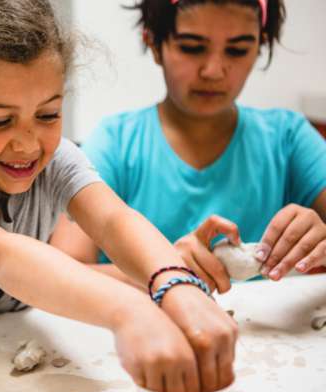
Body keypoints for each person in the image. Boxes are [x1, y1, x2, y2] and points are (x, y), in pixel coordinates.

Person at [0, 0, 237, 392]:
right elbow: (0, 256)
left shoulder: (55, 159)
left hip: (13, 343)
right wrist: (130, 311)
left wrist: (174, 281)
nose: (29, 144)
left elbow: (112, 220)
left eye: (48, 114)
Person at [51, 0, 326, 293]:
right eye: (192, 47)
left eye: (237, 50)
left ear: (261, 44)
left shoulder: (288, 138)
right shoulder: (115, 145)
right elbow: (61, 272)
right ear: (154, 43)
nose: (213, 71)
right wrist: (164, 270)